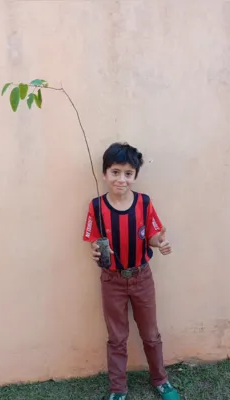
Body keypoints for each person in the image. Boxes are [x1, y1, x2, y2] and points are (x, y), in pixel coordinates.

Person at [82, 142, 180, 400]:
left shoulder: (144, 203)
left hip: (141, 278)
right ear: (105, 173)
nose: (121, 179)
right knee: (116, 337)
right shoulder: (96, 207)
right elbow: (93, 239)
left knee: (150, 334)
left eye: (128, 173)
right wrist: (95, 250)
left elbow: (152, 237)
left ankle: (161, 381)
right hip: (111, 280)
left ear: (135, 176)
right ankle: (118, 389)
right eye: (115, 172)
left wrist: (161, 243)